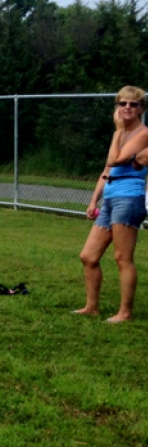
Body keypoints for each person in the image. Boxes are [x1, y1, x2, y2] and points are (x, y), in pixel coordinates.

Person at [74, 87, 148, 323]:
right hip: (110, 197)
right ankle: (91, 307)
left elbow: (116, 159)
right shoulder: (119, 135)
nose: (127, 107)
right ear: (117, 107)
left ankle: (125, 312)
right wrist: (94, 200)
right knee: (88, 256)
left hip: (129, 198)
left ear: (141, 109)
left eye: (133, 104)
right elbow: (107, 170)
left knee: (122, 258)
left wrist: (117, 132)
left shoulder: (142, 133)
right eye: (122, 103)